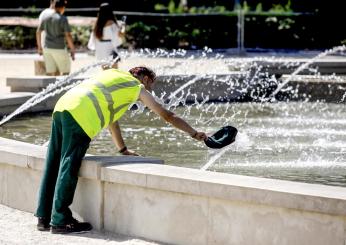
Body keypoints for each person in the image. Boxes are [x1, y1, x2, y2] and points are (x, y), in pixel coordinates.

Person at [35, 66, 207, 234]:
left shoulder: (113, 75)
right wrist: (193, 133)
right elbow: (168, 115)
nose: (149, 91)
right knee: (69, 164)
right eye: (150, 86)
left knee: (53, 161)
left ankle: (43, 217)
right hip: (82, 115)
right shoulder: (136, 87)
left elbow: (112, 122)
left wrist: (123, 149)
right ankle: (60, 220)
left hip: (63, 106)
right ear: (145, 79)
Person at [36, 0, 75, 76]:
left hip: (47, 48)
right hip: (59, 47)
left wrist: (39, 47)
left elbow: (38, 32)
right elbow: (68, 35)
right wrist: (72, 49)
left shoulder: (46, 18)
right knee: (65, 72)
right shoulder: (63, 19)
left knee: (50, 73)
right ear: (62, 8)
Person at [87, 2, 125, 69]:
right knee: (114, 71)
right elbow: (120, 35)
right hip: (109, 47)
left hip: (100, 49)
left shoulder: (97, 23)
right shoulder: (111, 22)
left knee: (106, 72)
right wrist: (123, 27)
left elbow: (94, 36)